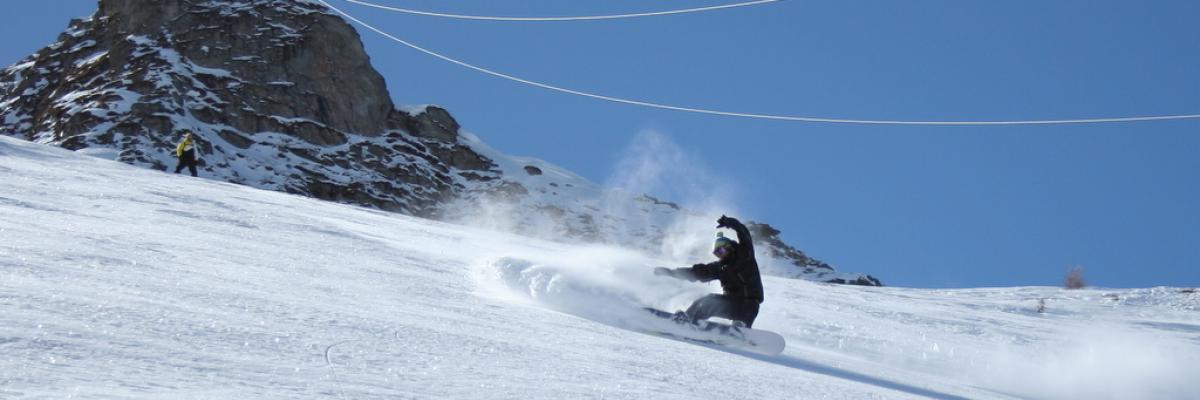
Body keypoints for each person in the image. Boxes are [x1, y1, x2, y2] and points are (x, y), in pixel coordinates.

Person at [654, 215, 764, 328]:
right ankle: (688, 320)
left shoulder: (745, 254)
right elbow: (696, 273)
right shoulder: (721, 268)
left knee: (750, 306)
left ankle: (742, 327)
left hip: (749, 304)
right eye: (717, 253)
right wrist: (671, 272)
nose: (720, 255)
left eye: (721, 251)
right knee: (709, 300)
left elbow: (743, 231)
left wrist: (730, 222)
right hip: (731, 303)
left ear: (729, 247)